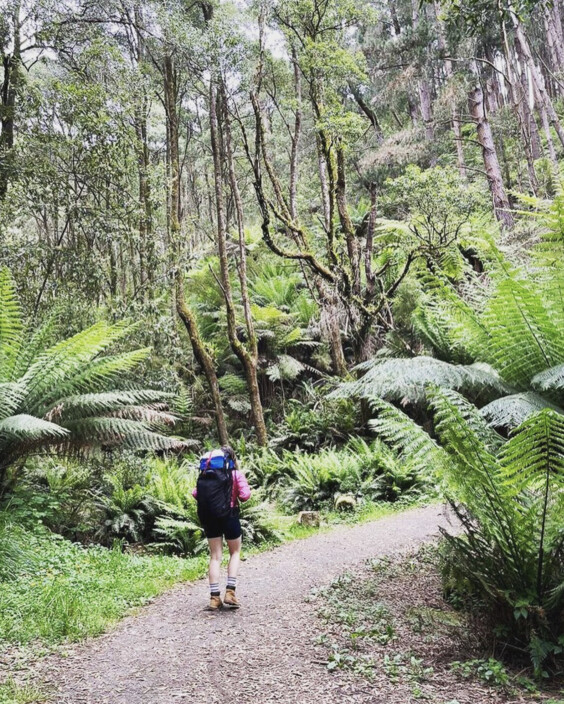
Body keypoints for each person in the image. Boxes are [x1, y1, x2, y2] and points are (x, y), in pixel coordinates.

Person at [192, 446, 251, 610]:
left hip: (210, 518)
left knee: (215, 556)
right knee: (235, 552)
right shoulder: (235, 474)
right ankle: (230, 593)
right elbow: (245, 496)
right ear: (232, 459)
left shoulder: (207, 475)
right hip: (229, 516)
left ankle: (214, 598)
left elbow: (195, 493)